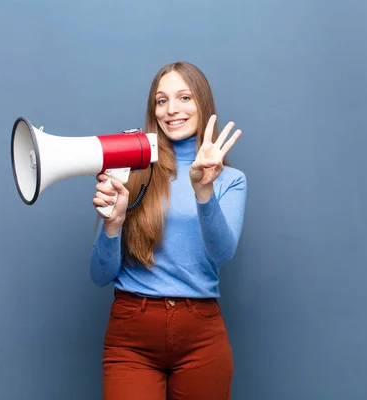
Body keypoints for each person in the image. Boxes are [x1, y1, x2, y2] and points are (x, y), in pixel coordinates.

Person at [89, 61, 247, 400]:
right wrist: (112, 225)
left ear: (202, 103)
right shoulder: (129, 170)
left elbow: (222, 253)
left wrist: (204, 192)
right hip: (132, 336)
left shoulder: (231, 180)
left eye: (184, 97)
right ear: (153, 109)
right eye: (161, 101)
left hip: (201, 337)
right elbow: (99, 275)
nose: (172, 110)